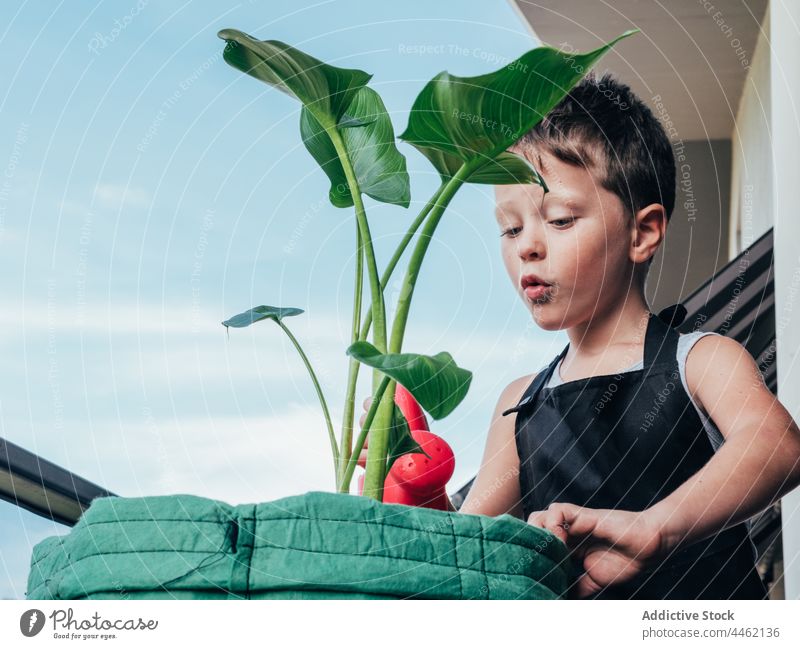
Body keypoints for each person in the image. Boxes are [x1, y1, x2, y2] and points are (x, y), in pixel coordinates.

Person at [360, 71, 800, 600]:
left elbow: (777, 445)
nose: (527, 247)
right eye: (511, 227)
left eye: (560, 219)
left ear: (643, 231)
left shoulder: (701, 360)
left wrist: (656, 527)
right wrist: (414, 481)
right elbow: (468, 550)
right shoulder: (519, 403)